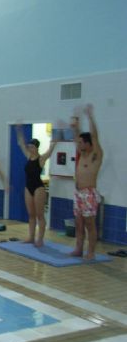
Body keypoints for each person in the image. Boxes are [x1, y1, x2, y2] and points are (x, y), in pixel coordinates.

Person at [70, 104, 103, 260]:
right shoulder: (82, 154)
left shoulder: (95, 155)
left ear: (89, 144)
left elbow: (95, 136)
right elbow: (76, 137)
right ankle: (78, 248)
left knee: (90, 224)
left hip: (89, 193)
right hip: (78, 193)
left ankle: (91, 251)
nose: (80, 145)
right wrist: (75, 125)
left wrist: (90, 117)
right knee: (79, 223)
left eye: (83, 143)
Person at [15, 125, 56, 247]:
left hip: (38, 188)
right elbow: (21, 144)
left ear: (36, 147)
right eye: (29, 146)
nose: (29, 148)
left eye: (31, 146)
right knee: (31, 214)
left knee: (39, 215)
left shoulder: (41, 159)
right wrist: (19, 131)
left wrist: (54, 142)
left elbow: (50, 152)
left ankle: (40, 239)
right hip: (28, 187)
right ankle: (31, 237)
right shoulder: (28, 157)